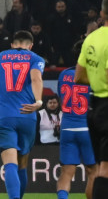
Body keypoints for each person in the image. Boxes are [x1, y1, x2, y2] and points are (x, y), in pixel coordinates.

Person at [0, 30, 46, 199]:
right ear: (30, 46)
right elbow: (36, 79)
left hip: (4, 116)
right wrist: (39, 101)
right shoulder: (36, 58)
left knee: (10, 163)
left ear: (12, 44)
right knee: (22, 165)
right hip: (27, 114)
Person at [77, 0, 108, 199]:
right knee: (106, 169)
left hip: (95, 107)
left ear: (103, 13)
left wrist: (97, 81)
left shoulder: (91, 38)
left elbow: (79, 76)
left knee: (98, 169)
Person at [57, 67, 94, 199]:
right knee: (93, 172)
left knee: (66, 172)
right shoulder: (93, 74)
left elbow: (61, 98)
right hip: (87, 128)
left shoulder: (64, 74)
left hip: (67, 128)